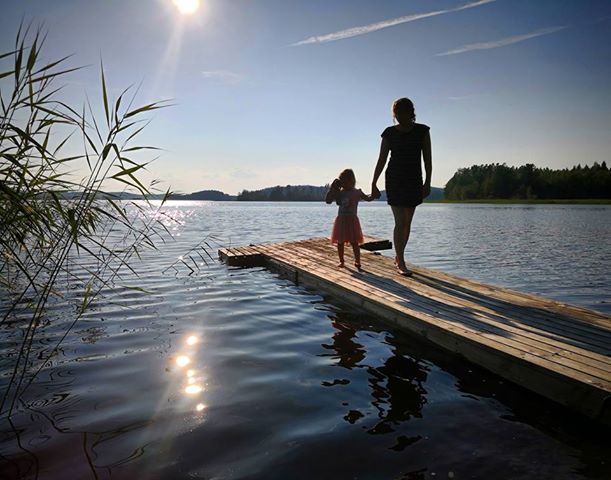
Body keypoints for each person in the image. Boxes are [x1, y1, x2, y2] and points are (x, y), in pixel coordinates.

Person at [370, 97, 432, 276]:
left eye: (401, 113)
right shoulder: (389, 133)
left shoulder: (422, 131)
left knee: (408, 223)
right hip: (395, 179)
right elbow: (381, 159)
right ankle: (401, 261)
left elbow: (428, 159)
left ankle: (399, 257)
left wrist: (427, 182)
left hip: (413, 180)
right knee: (400, 222)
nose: (398, 117)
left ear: (410, 112)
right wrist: (374, 182)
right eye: (395, 114)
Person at [326, 169, 375, 270]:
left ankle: (357, 261)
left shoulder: (357, 192)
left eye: (344, 181)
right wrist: (333, 188)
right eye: (341, 181)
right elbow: (328, 201)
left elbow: (368, 198)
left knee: (354, 242)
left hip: (352, 220)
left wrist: (374, 194)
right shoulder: (340, 193)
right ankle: (341, 261)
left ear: (351, 181)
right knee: (340, 242)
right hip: (341, 220)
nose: (343, 183)